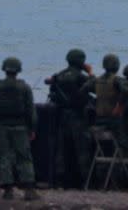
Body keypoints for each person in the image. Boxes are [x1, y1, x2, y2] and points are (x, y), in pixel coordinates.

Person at [0, 57, 39, 201]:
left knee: (4, 157)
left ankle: (8, 190)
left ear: (4, 69)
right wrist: (32, 128)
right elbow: (31, 110)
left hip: (1, 127)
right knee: (24, 158)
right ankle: (29, 190)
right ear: (18, 70)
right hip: (21, 126)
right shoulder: (25, 87)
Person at [45, 48, 92, 188]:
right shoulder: (81, 77)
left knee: (62, 149)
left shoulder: (59, 75)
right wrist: (90, 72)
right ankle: (84, 181)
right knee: (82, 149)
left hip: (62, 116)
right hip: (77, 116)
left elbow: (52, 92)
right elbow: (93, 88)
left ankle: (60, 181)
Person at [80, 53, 124, 131]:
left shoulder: (96, 80)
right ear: (117, 66)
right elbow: (126, 91)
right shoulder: (118, 80)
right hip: (114, 119)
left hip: (99, 118)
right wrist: (119, 106)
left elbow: (83, 89)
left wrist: (93, 100)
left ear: (103, 65)